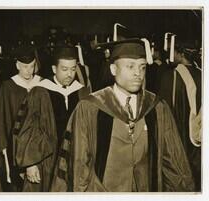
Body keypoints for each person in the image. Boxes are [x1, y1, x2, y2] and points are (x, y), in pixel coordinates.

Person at [51, 38, 194, 192]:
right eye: (130, 66)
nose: (138, 73)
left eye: (142, 67)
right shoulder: (89, 108)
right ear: (113, 69)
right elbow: (78, 164)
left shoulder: (157, 107)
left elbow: (173, 161)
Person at [11, 46, 89, 192]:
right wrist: (30, 164)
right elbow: (27, 128)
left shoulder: (81, 92)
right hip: (46, 161)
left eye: (73, 69)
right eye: (64, 69)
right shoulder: (39, 92)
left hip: (75, 159)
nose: (70, 74)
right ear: (54, 69)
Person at [0, 45, 41, 191]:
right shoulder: (8, 87)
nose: (28, 71)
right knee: (17, 184)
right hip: (15, 143)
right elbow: (1, 118)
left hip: (39, 144)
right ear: (17, 65)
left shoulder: (42, 84)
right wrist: (2, 143)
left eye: (32, 66)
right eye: (24, 66)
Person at [158, 40, 202, 191]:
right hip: (198, 133)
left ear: (180, 54)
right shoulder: (201, 72)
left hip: (179, 132)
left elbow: (163, 109)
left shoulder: (172, 76)